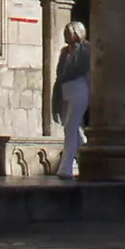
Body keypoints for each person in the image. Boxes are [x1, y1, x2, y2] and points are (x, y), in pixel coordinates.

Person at [52, 21, 90, 180]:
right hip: (66, 92)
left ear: (77, 33)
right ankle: (87, 161)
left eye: (68, 32)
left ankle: (65, 168)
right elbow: (59, 73)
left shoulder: (86, 50)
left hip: (80, 91)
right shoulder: (64, 52)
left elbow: (80, 70)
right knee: (76, 131)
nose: (65, 35)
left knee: (70, 127)